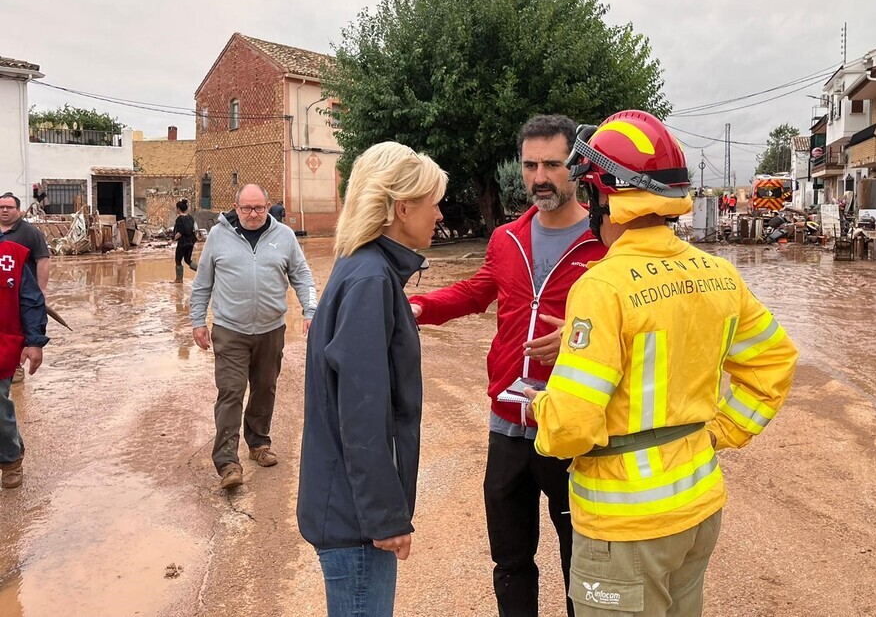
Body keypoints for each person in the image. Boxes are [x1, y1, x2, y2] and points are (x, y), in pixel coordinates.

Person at [525, 110, 798, 617]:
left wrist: (543, 409)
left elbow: (572, 429)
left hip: (626, 527)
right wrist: (719, 432)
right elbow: (775, 362)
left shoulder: (602, 286)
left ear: (607, 198)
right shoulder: (719, 275)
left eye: (592, 195)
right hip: (697, 509)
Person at [409, 114, 606, 617]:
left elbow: (636, 324)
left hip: (569, 423)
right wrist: (419, 307)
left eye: (552, 165)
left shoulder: (605, 245)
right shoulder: (505, 238)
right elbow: (477, 293)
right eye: (530, 165)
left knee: (577, 558)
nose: (539, 177)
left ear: (577, 168)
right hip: (507, 421)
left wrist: (580, 338)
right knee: (510, 559)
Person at [297, 142, 447, 617]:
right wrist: (385, 517)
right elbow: (362, 413)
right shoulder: (371, 280)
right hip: (356, 521)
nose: (440, 214)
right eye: (432, 202)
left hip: (349, 508)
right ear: (401, 208)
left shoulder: (364, 268)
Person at [190, 184, 317, 490]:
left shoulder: (284, 236)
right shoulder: (218, 237)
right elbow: (202, 283)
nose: (252, 214)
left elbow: (302, 275)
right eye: (246, 208)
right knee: (231, 392)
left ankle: (259, 443)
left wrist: (310, 309)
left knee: (264, 388)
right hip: (229, 330)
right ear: (235, 207)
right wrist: (197, 321)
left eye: (259, 208)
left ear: (268, 206)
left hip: (271, 330)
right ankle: (228, 463)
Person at [0, 230, 48, 488]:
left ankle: (10, 459)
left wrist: (34, 342)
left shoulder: (11, 255)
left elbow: (30, 300)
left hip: (2, 344)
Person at [0, 192, 51, 384]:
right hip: (3, 293)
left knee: (18, 332)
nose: (4, 210)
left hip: (21, 293)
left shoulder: (30, 233)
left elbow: (43, 261)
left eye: (9, 207)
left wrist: (41, 290)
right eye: (1, 207)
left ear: (18, 210)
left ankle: (15, 370)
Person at [172, 199, 198, 283]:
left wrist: (172, 239)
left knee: (178, 260)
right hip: (191, 242)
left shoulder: (180, 219)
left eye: (176, 208)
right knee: (188, 260)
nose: (176, 210)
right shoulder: (190, 217)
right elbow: (194, 229)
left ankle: (179, 280)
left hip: (183, 243)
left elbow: (180, 232)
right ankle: (202, 272)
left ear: (179, 209)